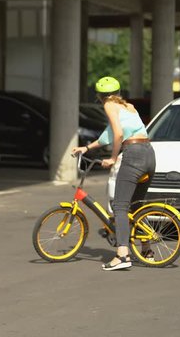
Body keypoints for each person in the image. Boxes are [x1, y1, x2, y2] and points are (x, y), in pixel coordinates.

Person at [71, 76, 156, 271]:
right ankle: (147, 250)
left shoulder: (109, 105)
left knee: (120, 206)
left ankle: (122, 255)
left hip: (133, 155)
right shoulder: (129, 107)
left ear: (100, 96)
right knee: (135, 206)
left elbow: (118, 135)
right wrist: (86, 148)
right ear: (119, 92)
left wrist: (113, 158)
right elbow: (110, 134)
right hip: (149, 154)